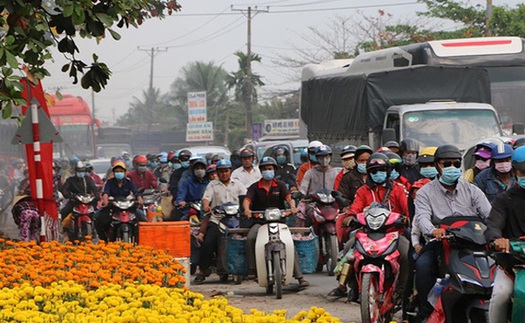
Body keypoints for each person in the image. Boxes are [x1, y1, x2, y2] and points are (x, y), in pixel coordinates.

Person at [412, 144, 491, 322]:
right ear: (437, 165)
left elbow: (490, 215)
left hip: (473, 243)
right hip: (441, 243)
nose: (452, 168)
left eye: (456, 164)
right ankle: (426, 310)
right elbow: (422, 218)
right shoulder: (425, 193)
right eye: (447, 164)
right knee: (423, 265)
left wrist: (496, 231)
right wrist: (433, 230)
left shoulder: (472, 190)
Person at [329, 152, 410, 303]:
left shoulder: (398, 189)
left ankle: (401, 292)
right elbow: (355, 210)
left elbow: (408, 211)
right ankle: (352, 287)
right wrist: (350, 218)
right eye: (373, 170)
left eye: (381, 170)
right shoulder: (362, 191)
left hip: (394, 234)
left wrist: (405, 219)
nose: (377, 173)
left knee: (406, 253)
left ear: (387, 171)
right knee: (348, 248)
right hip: (367, 234)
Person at [242, 157, 309, 287]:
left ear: (274, 170)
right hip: (260, 221)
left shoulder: (281, 185)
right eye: (265, 169)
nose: (268, 171)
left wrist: (293, 207)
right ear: (261, 171)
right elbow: (247, 200)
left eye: (270, 169)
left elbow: (289, 198)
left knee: (289, 243)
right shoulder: (255, 187)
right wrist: (247, 210)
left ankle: (300, 277)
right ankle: (252, 269)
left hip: (280, 221)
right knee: (251, 238)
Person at [484, 146, 525, 323]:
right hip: (513, 264)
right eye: (524, 171)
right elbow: (493, 224)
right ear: (515, 172)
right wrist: (497, 239)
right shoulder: (504, 199)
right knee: (501, 295)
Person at [194, 159, 247, 284]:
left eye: (226, 171)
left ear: (230, 171)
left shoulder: (238, 184)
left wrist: (246, 207)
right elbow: (206, 199)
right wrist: (206, 206)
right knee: (207, 243)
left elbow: (245, 198)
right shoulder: (212, 185)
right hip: (218, 220)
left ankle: (247, 269)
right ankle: (202, 271)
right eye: (221, 171)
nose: (224, 174)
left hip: (236, 219)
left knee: (245, 241)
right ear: (217, 173)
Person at [95, 161, 145, 242]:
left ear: (125, 172)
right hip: (114, 205)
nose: (119, 173)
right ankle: (104, 240)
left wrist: (139, 199)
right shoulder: (109, 182)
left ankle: (139, 240)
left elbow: (136, 192)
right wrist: (105, 201)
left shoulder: (129, 182)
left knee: (142, 216)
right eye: (117, 171)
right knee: (97, 217)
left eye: (121, 171)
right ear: (113, 173)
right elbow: (106, 193)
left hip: (127, 205)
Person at [59, 161, 99, 237]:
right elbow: (65, 190)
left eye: (82, 171)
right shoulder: (70, 180)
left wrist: (96, 195)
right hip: (75, 201)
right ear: (75, 172)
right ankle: (66, 231)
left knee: (97, 214)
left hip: (88, 201)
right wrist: (70, 195)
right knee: (64, 211)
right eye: (79, 171)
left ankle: (95, 229)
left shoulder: (88, 179)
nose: (81, 173)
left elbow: (94, 189)